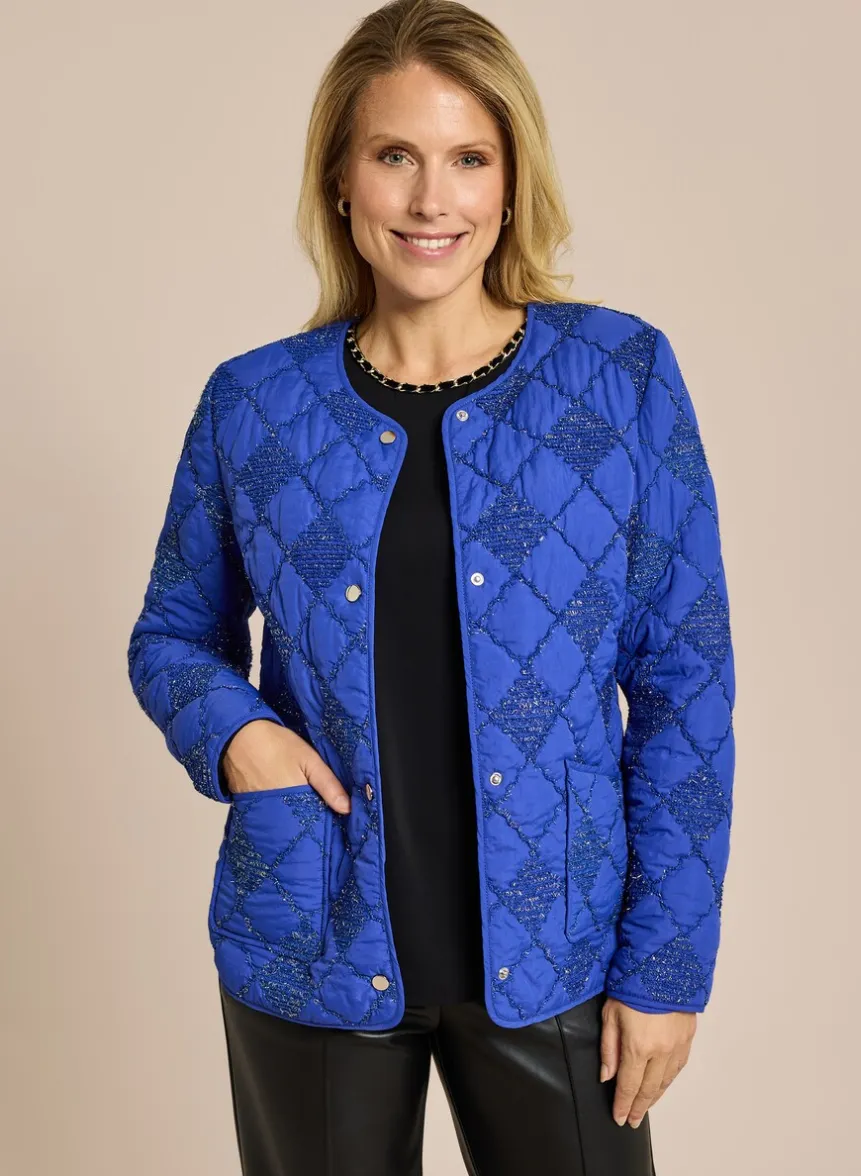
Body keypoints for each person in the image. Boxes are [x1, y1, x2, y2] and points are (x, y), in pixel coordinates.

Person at [126, 1, 736, 1172]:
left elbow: (685, 683)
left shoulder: (617, 379)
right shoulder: (253, 405)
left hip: (556, 949)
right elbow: (171, 636)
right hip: (311, 943)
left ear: (510, 183)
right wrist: (240, 738)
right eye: (394, 156)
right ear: (341, 179)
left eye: (468, 159)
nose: (429, 200)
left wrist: (665, 966)